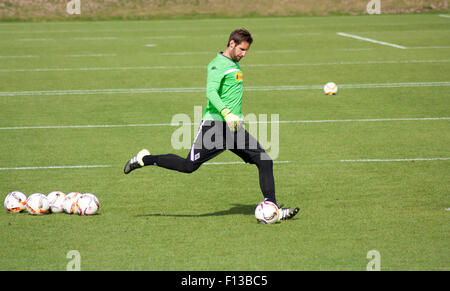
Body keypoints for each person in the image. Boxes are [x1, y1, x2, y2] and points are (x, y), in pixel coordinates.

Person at [124, 28, 299, 222]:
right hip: (214, 127)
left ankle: (273, 208)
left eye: (247, 50)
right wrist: (226, 113)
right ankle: (145, 159)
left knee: (264, 160)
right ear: (231, 43)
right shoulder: (217, 65)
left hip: (233, 128)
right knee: (188, 166)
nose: (244, 54)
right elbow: (211, 92)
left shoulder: (233, 64)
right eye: (241, 49)